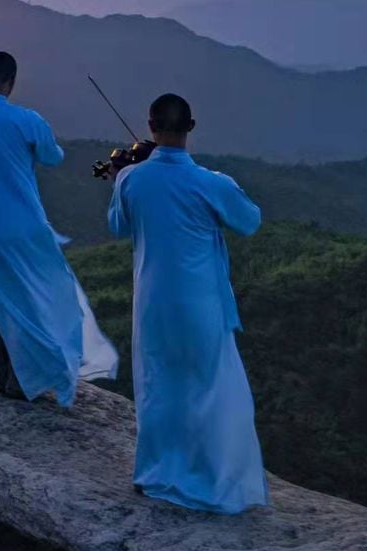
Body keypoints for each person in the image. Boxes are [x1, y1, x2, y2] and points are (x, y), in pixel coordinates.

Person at [108, 93, 268, 513]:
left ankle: (155, 472)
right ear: (191, 127)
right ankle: (213, 479)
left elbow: (118, 225)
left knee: (156, 385)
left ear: (150, 125)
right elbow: (250, 220)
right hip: (201, 303)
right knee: (213, 388)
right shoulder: (211, 183)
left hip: (152, 300)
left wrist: (121, 177)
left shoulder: (131, 179)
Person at [0, 51, 117, 402]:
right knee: (37, 296)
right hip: (25, 223)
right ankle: (26, 378)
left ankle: (1, 373)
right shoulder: (27, 119)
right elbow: (52, 156)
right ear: (12, 81)